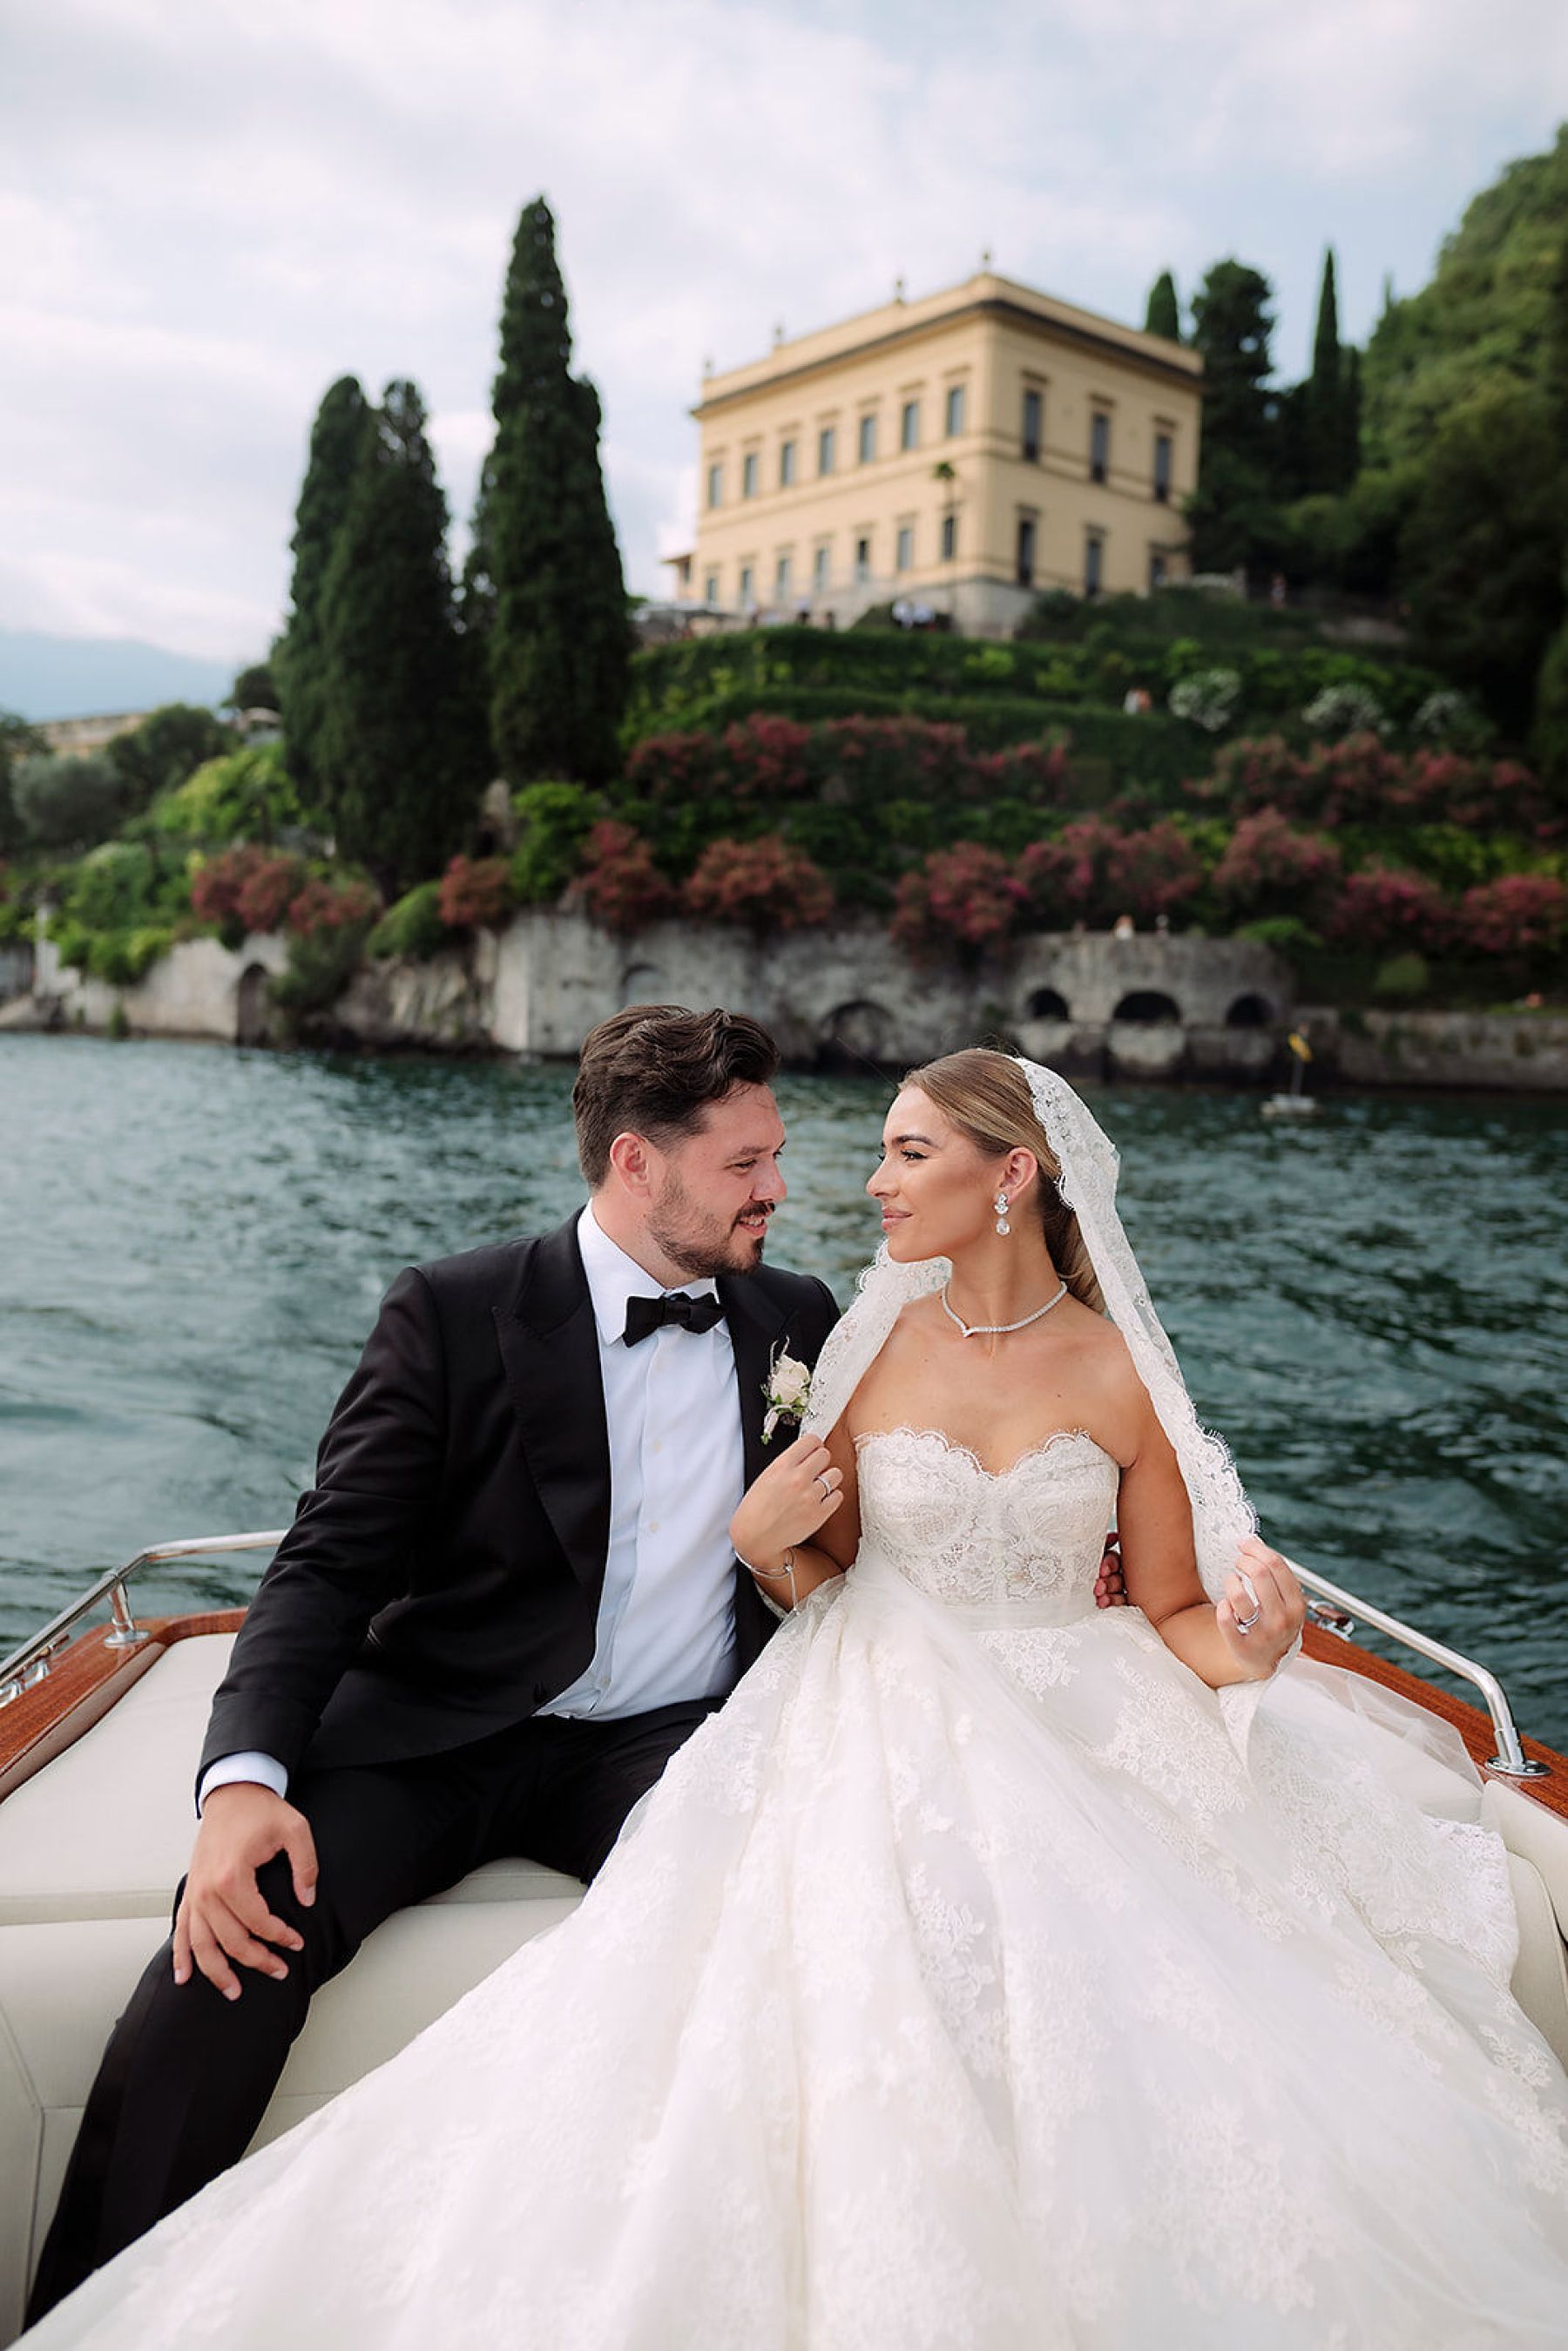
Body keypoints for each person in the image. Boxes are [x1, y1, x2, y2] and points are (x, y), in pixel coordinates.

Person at [25, 1051, 1568, 2348]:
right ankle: (82, 2302)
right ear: (642, 1163)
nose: (791, 1188)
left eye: (817, 1158)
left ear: (1010, 1176)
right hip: (437, 1735)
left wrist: (818, 1573)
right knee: (229, 1945)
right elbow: (318, 1570)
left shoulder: (806, 1318)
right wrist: (242, 1785)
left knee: (799, 1928)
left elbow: (969, 1560)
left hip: (664, 1740)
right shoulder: (459, 1310)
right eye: (753, 1162)